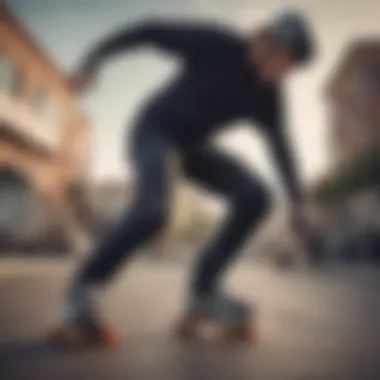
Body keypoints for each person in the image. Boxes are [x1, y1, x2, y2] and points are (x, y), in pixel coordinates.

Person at [52, 10, 316, 345]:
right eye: (282, 59)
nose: (281, 72)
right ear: (264, 38)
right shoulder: (216, 44)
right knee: (154, 211)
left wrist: (297, 203)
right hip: (154, 132)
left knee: (256, 196)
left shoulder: (269, 95)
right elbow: (148, 30)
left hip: (195, 149)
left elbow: (282, 148)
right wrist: (93, 61)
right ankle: (83, 290)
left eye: (290, 69)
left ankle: (202, 294)